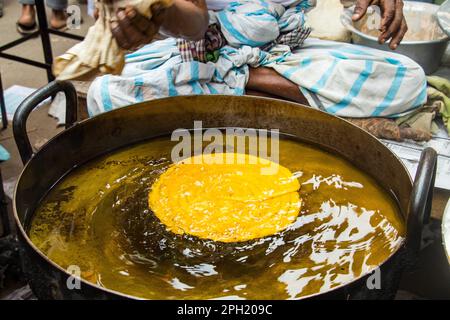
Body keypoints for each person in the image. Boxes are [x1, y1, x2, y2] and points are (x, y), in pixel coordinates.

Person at [87, 0, 425, 120]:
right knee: (105, 94)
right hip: (207, 51)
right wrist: (160, 11)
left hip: (285, 54)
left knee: (410, 79)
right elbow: (195, 25)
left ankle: (247, 81)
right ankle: (250, 83)